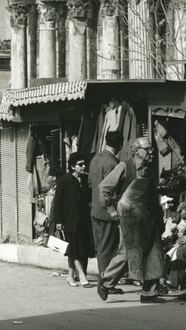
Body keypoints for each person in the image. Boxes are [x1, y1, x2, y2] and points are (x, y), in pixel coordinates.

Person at [98, 137, 166, 304]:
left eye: (151, 149)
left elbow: (153, 196)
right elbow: (104, 188)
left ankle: (150, 293)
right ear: (136, 151)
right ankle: (106, 281)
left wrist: (159, 217)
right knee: (128, 253)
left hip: (148, 216)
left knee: (153, 253)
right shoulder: (124, 167)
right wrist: (112, 210)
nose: (151, 152)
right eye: (147, 149)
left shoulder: (150, 169)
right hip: (129, 217)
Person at [89, 129, 125, 293]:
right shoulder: (113, 163)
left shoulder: (96, 158)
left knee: (101, 246)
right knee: (108, 247)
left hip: (95, 209)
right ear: (121, 145)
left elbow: (91, 182)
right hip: (107, 211)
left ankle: (104, 280)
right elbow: (111, 190)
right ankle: (105, 282)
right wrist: (113, 209)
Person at [53, 153, 94, 287]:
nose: (83, 167)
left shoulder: (86, 180)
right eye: (80, 165)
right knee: (74, 248)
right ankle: (82, 276)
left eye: (84, 164)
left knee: (77, 248)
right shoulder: (64, 181)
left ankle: (70, 276)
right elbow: (57, 203)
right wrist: (58, 221)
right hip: (69, 221)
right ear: (72, 166)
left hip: (83, 220)